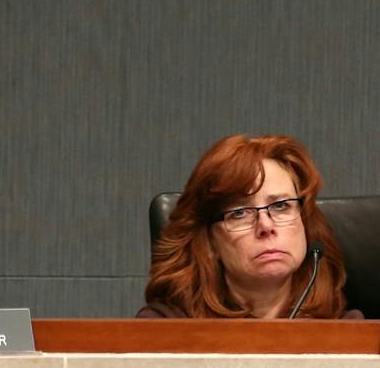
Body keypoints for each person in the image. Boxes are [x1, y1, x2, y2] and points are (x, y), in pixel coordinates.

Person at [140, 134, 361, 320]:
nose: (266, 225)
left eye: (281, 205)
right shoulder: (165, 328)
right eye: (239, 213)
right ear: (209, 241)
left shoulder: (346, 329)